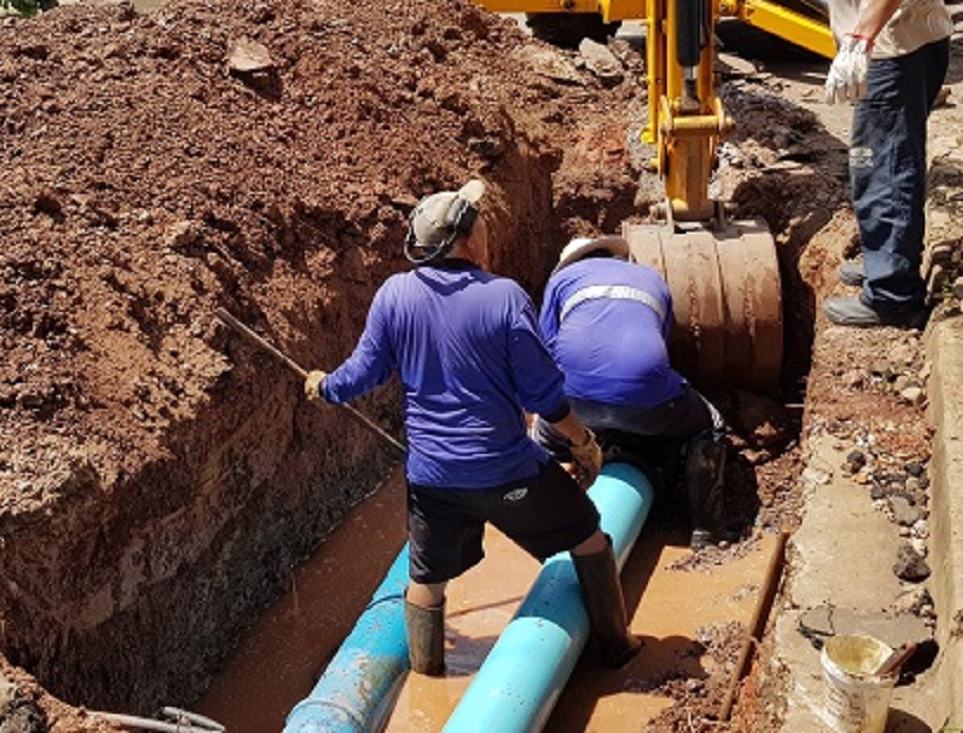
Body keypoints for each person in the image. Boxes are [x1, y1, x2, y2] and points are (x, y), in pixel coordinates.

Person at [303, 180, 641, 675]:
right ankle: (617, 649)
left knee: (426, 578)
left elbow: (364, 372)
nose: (487, 228)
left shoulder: (395, 294)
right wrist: (582, 442)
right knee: (588, 534)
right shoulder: (503, 298)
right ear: (467, 240)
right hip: (507, 471)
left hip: (432, 478)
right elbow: (543, 395)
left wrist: (325, 387)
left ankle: (426, 676)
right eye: (480, 222)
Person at [529, 236, 728, 550]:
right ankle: (706, 529)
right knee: (711, 425)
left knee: (546, 434)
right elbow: (659, 347)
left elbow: (546, 350)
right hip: (647, 400)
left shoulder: (562, 281)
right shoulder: (652, 279)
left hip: (574, 401)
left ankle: (545, 522)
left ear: (570, 264)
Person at [821, 0, 953, 327]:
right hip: (908, 37)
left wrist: (860, 40)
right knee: (890, 160)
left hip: (892, 48)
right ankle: (885, 263)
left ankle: (892, 293)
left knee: (883, 170)